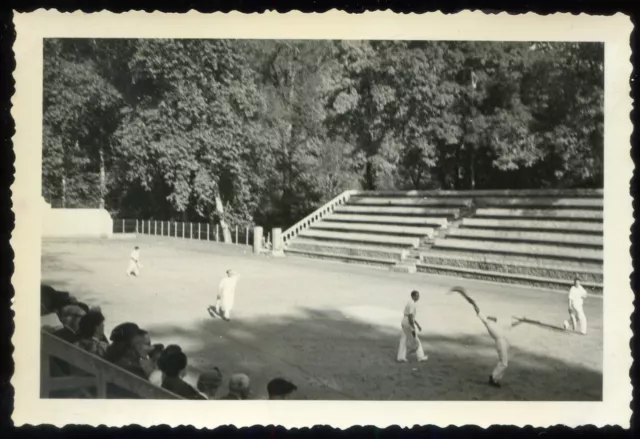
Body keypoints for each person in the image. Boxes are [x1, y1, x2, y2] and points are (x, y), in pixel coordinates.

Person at [450, 287, 509, 388]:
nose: (493, 316)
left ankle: (496, 378)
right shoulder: (488, 322)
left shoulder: (496, 323)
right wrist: (473, 303)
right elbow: (478, 311)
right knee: (504, 363)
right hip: (500, 342)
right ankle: (494, 378)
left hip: (503, 342)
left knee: (504, 362)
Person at [397, 290, 428, 363]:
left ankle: (401, 357)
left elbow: (411, 317)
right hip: (408, 322)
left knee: (403, 339)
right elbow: (410, 316)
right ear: (413, 296)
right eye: (417, 295)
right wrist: (413, 326)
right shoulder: (412, 304)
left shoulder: (410, 303)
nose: (418, 297)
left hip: (404, 321)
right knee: (416, 339)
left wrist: (418, 325)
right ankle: (420, 356)